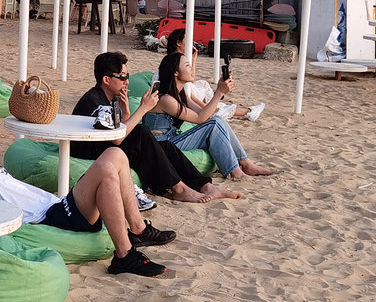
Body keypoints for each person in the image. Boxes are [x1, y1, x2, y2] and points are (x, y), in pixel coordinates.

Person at [0, 109, 175, 276]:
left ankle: (137, 231)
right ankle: (124, 254)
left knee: (116, 159)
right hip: (50, 217)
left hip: (59, 206)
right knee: (108, 165)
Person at [71, 52, 239, 203]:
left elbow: (118, 130)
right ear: (106, 80)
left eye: (127, 75)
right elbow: (118, 138)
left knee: (165, 145)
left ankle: (204, 185)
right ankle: (178, 189)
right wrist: (143, 108)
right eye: (122, 77)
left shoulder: (111, 97)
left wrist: (126, 112)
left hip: (106, 145)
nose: (127, 81)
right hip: (90, 152)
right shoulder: (95, 101)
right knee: (142, 132)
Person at [145, 53, 272, 180]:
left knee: (217, 120)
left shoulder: (180, 95)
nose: (192, 69)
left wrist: (219, 89)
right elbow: (200, 119)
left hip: (173, 140)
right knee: (214, 124)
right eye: (187, 65)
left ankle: (246, 163)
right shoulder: (166, 99)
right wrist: (219, 93)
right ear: (175, 72)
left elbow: (206, 114)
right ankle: (236, 172)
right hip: (162, 146)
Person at [163, 29, 264, 121]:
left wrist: (193, 60)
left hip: (188, 97)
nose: (191, 43)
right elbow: (199, 117)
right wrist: (216, 96)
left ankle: (247, 111)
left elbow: (189, 82)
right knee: (215, 114)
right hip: (186, 102)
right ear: (178, 43)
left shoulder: (178, 86)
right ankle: (247, 111)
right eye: (187, 65)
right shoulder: (168, 97)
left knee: (204, 87)